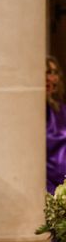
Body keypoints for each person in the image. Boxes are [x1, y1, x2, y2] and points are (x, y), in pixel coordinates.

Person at [46, 55, 66, 193]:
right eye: (47, 73)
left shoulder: (62, 108)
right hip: (48, 183)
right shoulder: (34, 111)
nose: (51, 78)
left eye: (54, 73)